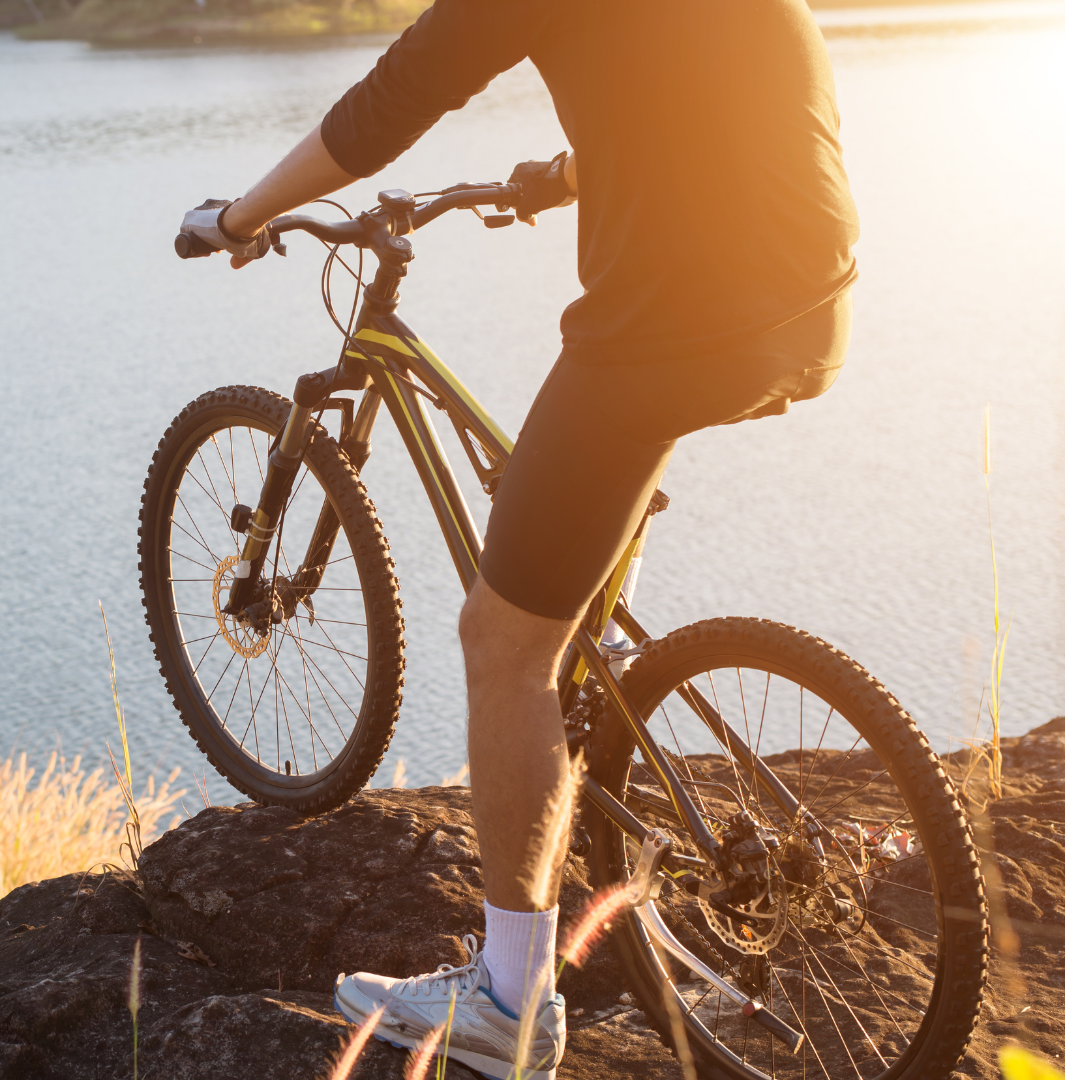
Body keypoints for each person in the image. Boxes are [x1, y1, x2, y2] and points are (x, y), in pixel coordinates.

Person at [176, 0, 858, 1075]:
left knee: (504, 642)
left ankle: (505, 1006)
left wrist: (245, 214)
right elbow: (703, 87)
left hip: (677, 322)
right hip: (810, 304)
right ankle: (599, 700)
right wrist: (574, 172)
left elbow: (385, 107)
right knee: (571, 565)